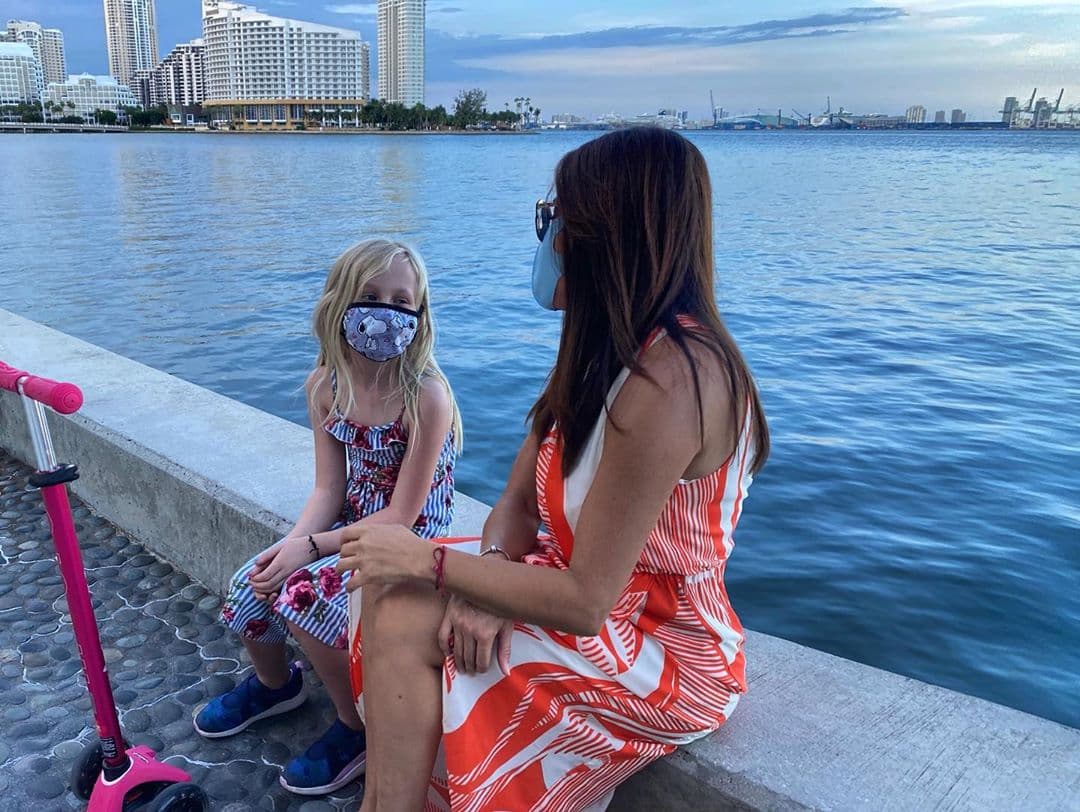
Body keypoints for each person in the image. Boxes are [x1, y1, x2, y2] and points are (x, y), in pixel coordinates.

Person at [337, 127, 770, 812]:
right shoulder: (604, 354)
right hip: (576, 596)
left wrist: (434, 565)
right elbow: (513, 506)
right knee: (379, 588)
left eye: (554, 218)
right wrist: (490, 580)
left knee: (403, 604)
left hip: (660, 645)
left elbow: (586, 600)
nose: (548, 237)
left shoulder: (675, 379)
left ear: (605, 232)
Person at [192, 238, 462, 797]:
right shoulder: (326, 385)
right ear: (340, 303)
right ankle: (276, 685)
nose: (384, 312)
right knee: (252, 586)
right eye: (369, 296)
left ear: (419, 313)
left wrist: (311, 552)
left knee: (302, 598)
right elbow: (328, 487)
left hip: (403, 535)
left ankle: (358, 726)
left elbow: (405, 515)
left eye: (400, 301)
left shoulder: (426, 398)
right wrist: (291, 547)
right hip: (346, 523)